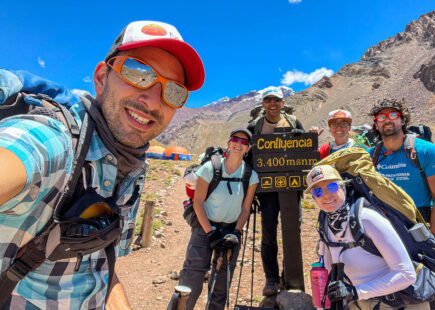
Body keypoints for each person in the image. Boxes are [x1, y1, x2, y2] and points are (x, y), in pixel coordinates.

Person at [0, 20, 204, 309]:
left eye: (173, 92)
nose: (154, 100)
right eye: (138, 73)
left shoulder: (132, 168)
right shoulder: (53, 141)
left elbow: (101, 270)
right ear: (101, 78)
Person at [306, 165, 428, 310]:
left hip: (399, 302)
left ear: (343, 188)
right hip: (360, 303)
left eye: (332, 187)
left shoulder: (367, 219)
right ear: (314, 198)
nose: (326, 195)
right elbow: (329, 271)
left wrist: (356, 292)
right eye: (318, 191)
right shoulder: (326, 225)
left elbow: (406, 274)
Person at [368, 98, 435, 310]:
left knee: (425, 287)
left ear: (402, 120)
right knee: (390, 289)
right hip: (385, 231)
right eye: (381, 117)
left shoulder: (425, 150)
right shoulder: (372, 156)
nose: (387, 120)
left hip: (419, 228)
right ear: (376, 124)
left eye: (393, 115)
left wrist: (433, 237)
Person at [178, 128, 259, 310]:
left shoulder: (250, 176)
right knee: (192, 278)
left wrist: (236, 233)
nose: (239, 144)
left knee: (221, 283)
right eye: (235, 140)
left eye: (244, 142)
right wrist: (210, 234)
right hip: (204, 227)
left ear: (248, 148)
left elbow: (246, 209)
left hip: (230, 231)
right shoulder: (210, 168)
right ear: (229, 143)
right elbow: (198, 203)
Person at [246, 87, 305, 296]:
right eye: (268, 100)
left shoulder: (294, 121)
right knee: (269, 233)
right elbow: (248, 158)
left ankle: (287, 277)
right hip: (267, 189)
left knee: (292, 232)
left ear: (282, 102)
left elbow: (305, 151)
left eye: (276, 100)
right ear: (263, 103)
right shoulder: (255, 126)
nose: (272, 103)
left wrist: (301, 137)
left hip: (291, 187)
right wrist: (250, 191)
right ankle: (271, 280)